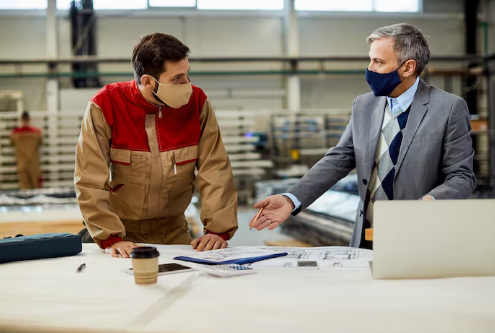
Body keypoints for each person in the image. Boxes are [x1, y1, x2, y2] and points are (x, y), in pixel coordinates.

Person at [250, 23, 476, 249]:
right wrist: (292, 198)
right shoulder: (364, 105)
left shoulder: (448, 108)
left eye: (378, 62)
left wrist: (427, 204)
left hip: (421, 235)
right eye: (370, 60)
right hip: (367, 236)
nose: (370, 69)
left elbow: (461, 176)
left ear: (408, 67)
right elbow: (338, 159)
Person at [75, 33, 238, 257]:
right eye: (177, 78)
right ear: (148, 81)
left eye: (187, 74)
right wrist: (109, 237)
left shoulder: (198, 103)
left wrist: (218, 230)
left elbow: (215, 167)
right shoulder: (106, 105)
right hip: (122, 234)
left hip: (174, 230)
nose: (187, 84)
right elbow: (90, 177)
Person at [11, 111, 42, 189]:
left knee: (24, 184)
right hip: (33, 161)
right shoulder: (36, 132)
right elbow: (40, 142)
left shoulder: (15, 133)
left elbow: (12, 142)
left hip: (21, 161)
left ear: (21, 119)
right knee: (35, 183)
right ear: (29, 119)